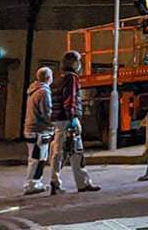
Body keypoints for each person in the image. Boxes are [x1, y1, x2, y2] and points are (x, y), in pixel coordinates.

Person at [49, 50, 99, 195]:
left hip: (59, 120)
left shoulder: (60, 79)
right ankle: (83, 183)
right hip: (68, 119)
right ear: (74, 63)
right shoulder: (72, 78)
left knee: (59, 153)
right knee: (77, 152)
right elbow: (70, 99)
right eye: (79, 62)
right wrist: (72, 119)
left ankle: (55, 182)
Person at [23, 67, 54, 195]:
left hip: (31, 129)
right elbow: (47, 113)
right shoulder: (43, 92)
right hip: (39, 131)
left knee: (35, 157)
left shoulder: (33, 91)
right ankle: (32, 184)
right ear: (48, 78)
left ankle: (35, 182)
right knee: (38, 158)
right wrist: (54, 123)